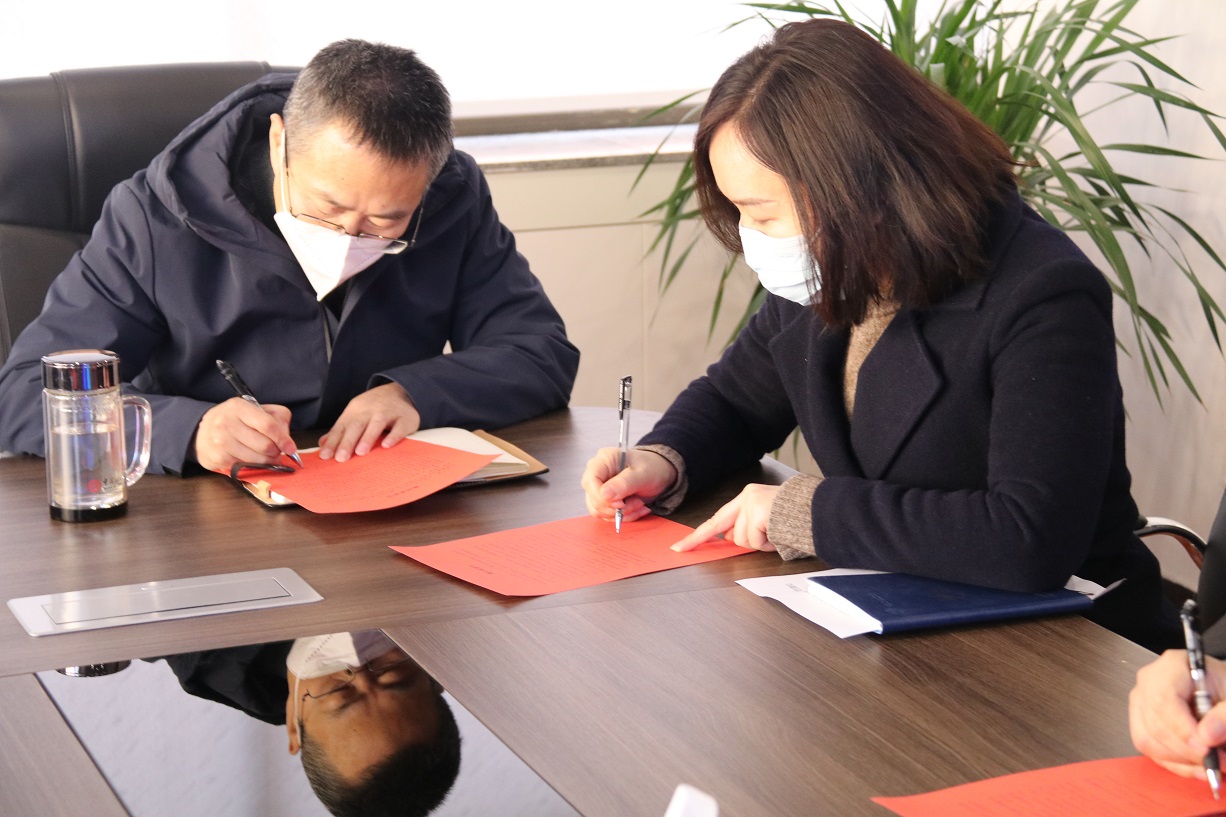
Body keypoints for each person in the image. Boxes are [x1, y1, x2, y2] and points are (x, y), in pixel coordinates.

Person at [579, 18, 1180, 652]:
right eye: (739, 211)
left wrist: (808, 512)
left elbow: (1028, 537)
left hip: (1069, 647)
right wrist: (662, 460)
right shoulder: (828, 265)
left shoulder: (1041, 291)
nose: (751, 237)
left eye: (762, 213)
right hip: (901, 621)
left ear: (855, 186)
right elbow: (736, 400)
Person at [0, 39, 578, 475]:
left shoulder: (453, 199)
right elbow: (26, 395)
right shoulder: (151, 218)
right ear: (278, 143)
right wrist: (192, 431)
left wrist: (415, 392)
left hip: (383, 500)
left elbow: (540, 352)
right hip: (207, 517)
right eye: (327, 208)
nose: (349, 238)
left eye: (385, 221)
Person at [161, 630, 461, 817]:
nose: (358, 667)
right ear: (432, 676)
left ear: (295, 724)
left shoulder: (192, 641)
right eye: (393, 674)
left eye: (338, 693)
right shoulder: (444, 601)